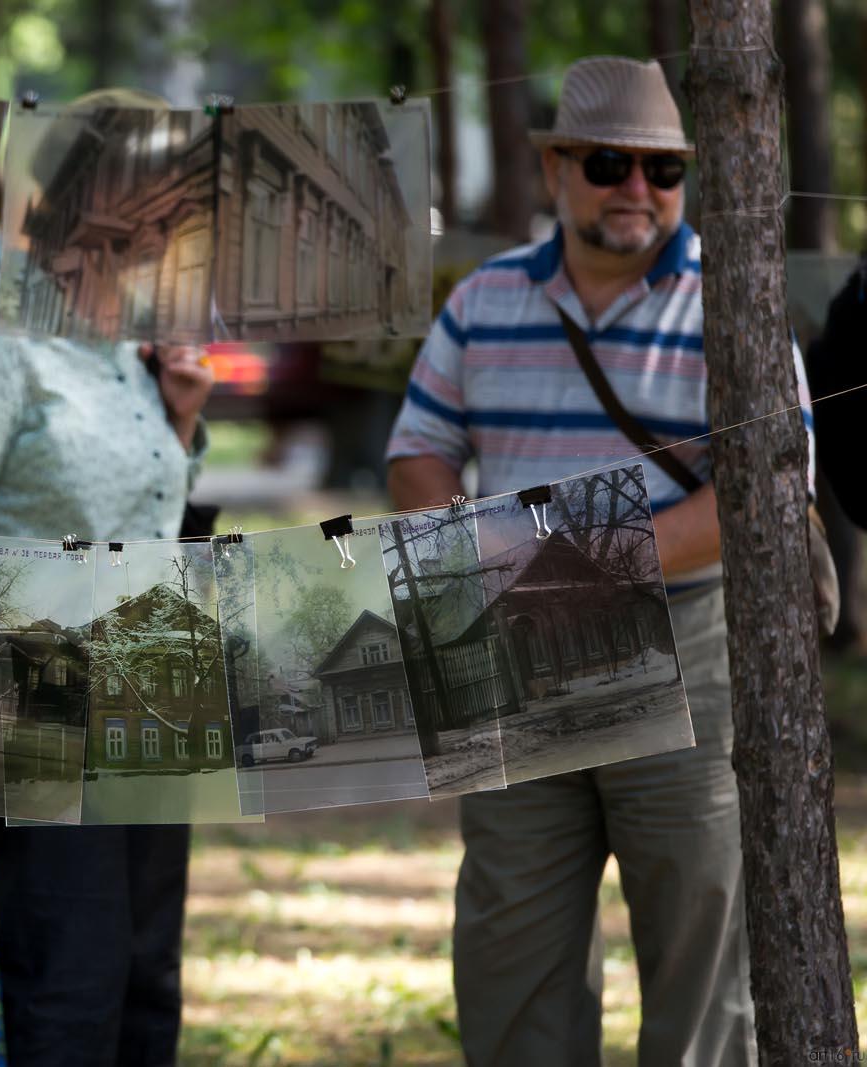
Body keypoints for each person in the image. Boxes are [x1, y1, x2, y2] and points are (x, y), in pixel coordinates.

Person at [386, 56, 811, 1065]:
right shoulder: (482, 300)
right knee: (509, 950)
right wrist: (471, 565)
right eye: (611, 163)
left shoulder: (730, 303)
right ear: (557, 170)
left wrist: (577, 571)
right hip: (511, 648)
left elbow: (769, 495)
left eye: (663, 171)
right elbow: (416, 448)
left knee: (699, 955)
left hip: (684, 648)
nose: (638, 189)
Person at [0, 87, 214, 1063]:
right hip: (40, 700)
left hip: (155, 691)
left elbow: (146, 516)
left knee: (145, 976)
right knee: (68, 989)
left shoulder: (125, 343)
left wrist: (181, 419)